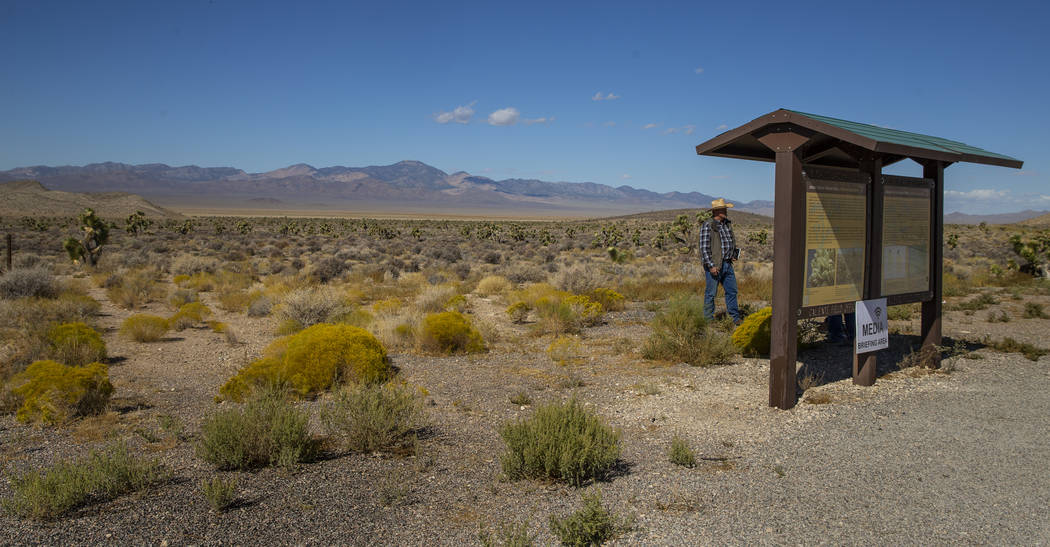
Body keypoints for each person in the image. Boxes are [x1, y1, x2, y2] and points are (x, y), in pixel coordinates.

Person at [699, 198, 742, 323]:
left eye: (725, 209)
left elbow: (730, 241)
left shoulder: (726, 224)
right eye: (723, 209)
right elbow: (704, 248)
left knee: (732, 291)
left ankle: (734, 318)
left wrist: (733, 253)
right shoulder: (708, 225)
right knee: (711, 293)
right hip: (715, 265)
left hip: (728, 263)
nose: (725, 211)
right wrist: (711, 266)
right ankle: (707, 320)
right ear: (716, 211)